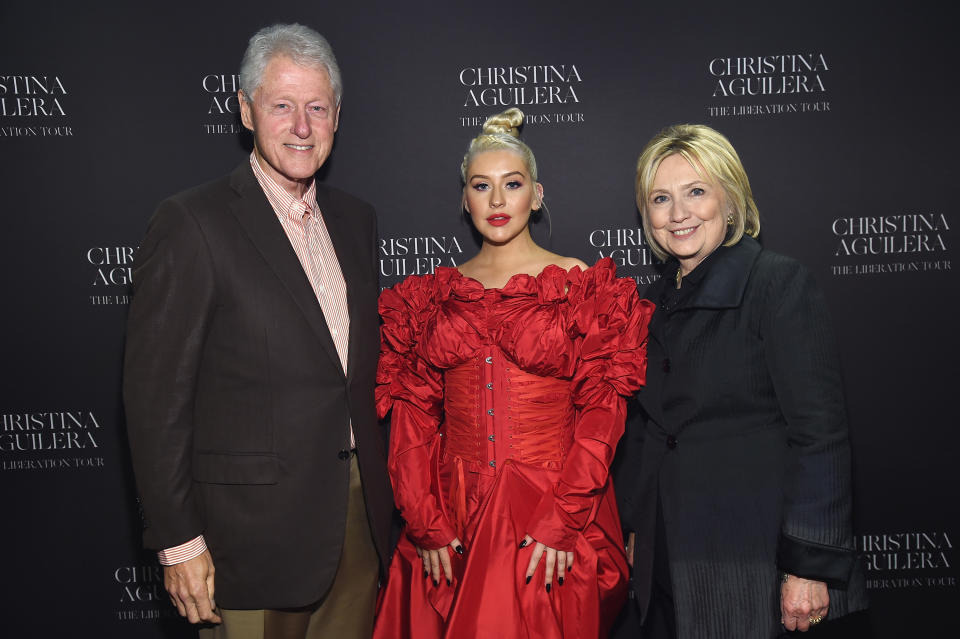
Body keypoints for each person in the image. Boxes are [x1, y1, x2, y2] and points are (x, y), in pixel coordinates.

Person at [123, 23, 393, 639]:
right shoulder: (192, 222)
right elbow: (155, 399)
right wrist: (178, 541)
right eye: (282, 105)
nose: (302, 126)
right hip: (245, 540)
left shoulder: (357, 220)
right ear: (246, 111)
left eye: (317, 108)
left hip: (357, 521)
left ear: (336, 116)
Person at [371, 107, 655, 639]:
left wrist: (562, 518)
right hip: (451, 519)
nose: (497, 201)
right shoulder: (429, 297)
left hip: (549, 512)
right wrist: (426, 522)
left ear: (537, 194)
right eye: (482, 186)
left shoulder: (581, 286)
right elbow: (411, 420)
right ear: (464, 199)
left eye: (512, 184)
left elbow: (602, 413)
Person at [614, 124, 869, 639]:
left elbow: (820, 434)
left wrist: (810, 566)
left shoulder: (776, 284)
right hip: (672, 565)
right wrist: (640, 527)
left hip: (759, 564)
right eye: (661, 198)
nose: (678, 213)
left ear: (730, 201)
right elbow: (650, 430)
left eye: (696, 192)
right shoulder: (649, 306)